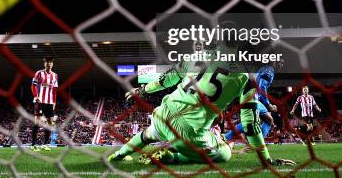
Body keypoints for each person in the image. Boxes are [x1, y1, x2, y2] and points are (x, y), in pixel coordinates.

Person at [108, 40, 295, 167]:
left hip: (163, 113)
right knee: (225, 153)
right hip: (189, 133)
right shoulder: (247, 78)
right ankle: (171, 157)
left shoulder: (197, 56)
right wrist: (266, 159)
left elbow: (167, 79)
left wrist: (142, 91)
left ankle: (118, 155)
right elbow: (250, 124)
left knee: (148, 133)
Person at [30, 56, 58, 151]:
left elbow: (54, 90)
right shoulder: (39, 73)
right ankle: (33, 144)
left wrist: (54, 102)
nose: (49, 64)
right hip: (40, 101)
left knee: (50, 122)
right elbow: (33, 86)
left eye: (50, 62)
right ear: (44, 64)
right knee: (37, 121)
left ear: (52, 64)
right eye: (47, 62)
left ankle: (45, 144)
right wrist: (36, 96)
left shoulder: (55, 75)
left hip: (49, 102)